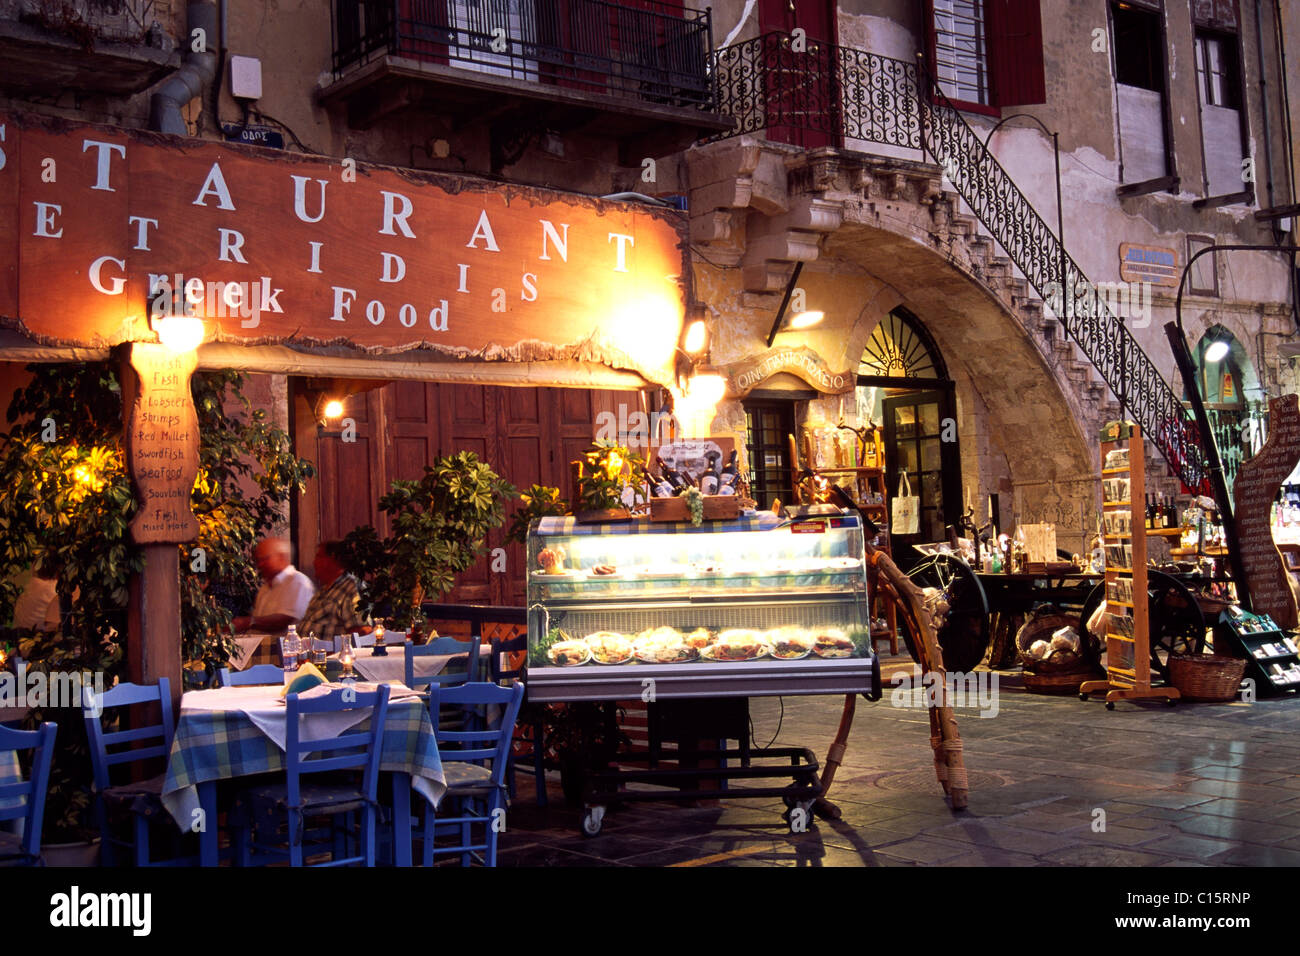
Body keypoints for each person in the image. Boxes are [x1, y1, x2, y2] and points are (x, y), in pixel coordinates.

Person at [232, 537, 314, 633]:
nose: (260, 564)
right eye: (258, 560)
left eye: (265, 559)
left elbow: (286, 621)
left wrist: (248, 622)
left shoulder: (298, 582)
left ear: (282, 557)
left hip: (285, 647)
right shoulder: (265, 587)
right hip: (262, 647)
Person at [297, 540, 365, 644]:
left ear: (333, 559)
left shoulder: (351, 588)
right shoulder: (323, 591)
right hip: (307, 657)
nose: (314, 562)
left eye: (318, 557)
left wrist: (335, 652)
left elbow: (362, 631)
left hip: (331, 658)